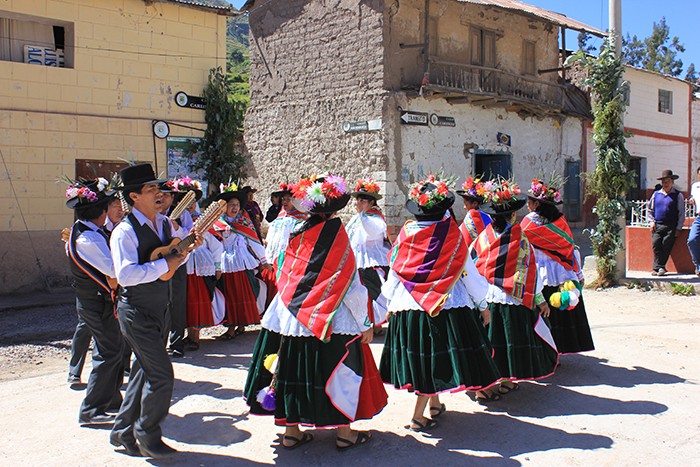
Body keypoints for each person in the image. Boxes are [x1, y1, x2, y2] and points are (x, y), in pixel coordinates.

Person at [244, 174, 387, 451]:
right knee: (342, 370)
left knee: (289, 371)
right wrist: (365, 322)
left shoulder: (296, 233)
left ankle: (291, 432)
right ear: (335, 208)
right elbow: (350, 285)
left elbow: (285, 271)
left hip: (290, 314)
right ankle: (345, 433)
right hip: (330, 316)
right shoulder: (337, 235)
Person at [379, 174, 501, 431]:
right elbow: (469, 272)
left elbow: (394, 271)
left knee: (426, 357)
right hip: (443, 306)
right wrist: (482, 304)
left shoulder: (405, 234)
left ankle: (434, 405)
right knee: (433, 358)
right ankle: (417, 417)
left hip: (408, 306)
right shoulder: (452, 235)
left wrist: (388, 304)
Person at [109, 163, 201, 458]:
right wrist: (167, 264)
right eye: (151, 190)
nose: (159, 194)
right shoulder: (124, 232)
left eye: (158, 188)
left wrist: (186, 252)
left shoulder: (165, 225)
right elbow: (125, 275)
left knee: (142, 372)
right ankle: (147, 435)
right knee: (161, 375)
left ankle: (123, 432)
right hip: (136, 312)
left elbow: (175, 260)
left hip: (159, 308)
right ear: (134, 197)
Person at [469, 178, 558, 390]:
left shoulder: (482, 238)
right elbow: (531, 271)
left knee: (491, 341)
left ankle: (489, 382)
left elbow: (473, 265)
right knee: (507, 344)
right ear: (513, 215)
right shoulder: (521, 239)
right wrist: (540, 300)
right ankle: (506, 380)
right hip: (513, 297)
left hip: (487, 297)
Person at [64, 178, 125, 427]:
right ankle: (91, 409)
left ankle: (111, 400)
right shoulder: (87, 239)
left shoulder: (91, 232)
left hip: (97, 302)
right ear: (99, 212)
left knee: (110, 349)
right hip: (95, 303)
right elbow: (114, 269)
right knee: (110, 352)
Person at [521, 178, 594, 355]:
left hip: (541, 273)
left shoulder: (529, 222)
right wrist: (577, 273)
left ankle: (546, 352)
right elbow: (571, 247)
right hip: (562, 272)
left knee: (543, 312)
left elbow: (522, 245)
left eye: (529, 202)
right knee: (560, 314)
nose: (528, 206)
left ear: (536, 203)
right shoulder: (559, 220)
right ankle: (560, 351)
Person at [211, 182, 269, 340]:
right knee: (229, 295)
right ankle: (231, 326)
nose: (234, 207)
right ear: (224, 207)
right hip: (226, 264)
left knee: (246, 292)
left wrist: (264, 260)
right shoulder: (217, 224)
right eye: (231, 204)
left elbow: (254, 242)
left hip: (242, 263)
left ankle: (242, 324)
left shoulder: (244, 223)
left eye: (237, 204)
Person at [346, 178, 391, 334]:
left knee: (377, 294)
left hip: (373, 262)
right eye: (358, 200)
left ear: (371, 202)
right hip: (357, 263)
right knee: (361, 296)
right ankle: (366, 325)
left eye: (363, 200)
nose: (359, 203)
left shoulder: (376, 218)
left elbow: (373, 231)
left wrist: (362, 215)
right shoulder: (355, 219)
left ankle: (378, 325)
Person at [159, 179, 189, 358]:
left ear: (172, 197)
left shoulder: (181, 214)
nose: (162, 198)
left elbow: (190, 234)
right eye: (159, 195)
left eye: (166, 195)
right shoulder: (152, 213)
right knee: (160, 303)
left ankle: (177, 342)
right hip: (158, 262)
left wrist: (175, 225)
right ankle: (159, 343)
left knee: (177, 303)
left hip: (177, 263)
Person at [649, 169, 685, 276]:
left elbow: (681, 212)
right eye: (664, 182)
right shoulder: (656, 194)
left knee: (666, 246)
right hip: (658, 225)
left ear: (672, 182)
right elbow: (650, 209)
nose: (665, 184)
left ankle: (659, 268)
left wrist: (679, 228)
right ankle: (658, 267)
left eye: (667, 181)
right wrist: (651, 222)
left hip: (671, 226)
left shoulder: (678, 195)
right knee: (656, 245)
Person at [456, 175, 491, 247]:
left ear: (475, 204)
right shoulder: (489, 216)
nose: (464, 207)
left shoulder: (471, 217)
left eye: (466, 204)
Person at [686, 167, 700, 277]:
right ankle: (697, 263)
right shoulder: (695, 186)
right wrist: (691, 201)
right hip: (698, 217)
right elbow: (693, 198)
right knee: (692, 240)